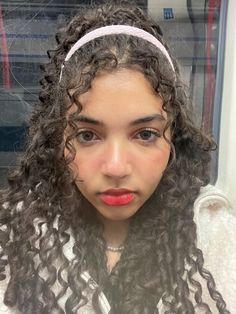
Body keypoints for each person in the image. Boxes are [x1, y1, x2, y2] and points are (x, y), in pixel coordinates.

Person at [0, 1, 235, 313]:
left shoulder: (216, 239)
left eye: (145, 134)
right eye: (87, 135)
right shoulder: (16, 239)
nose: (115, 167)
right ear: (57, 138)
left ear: (174, 136)